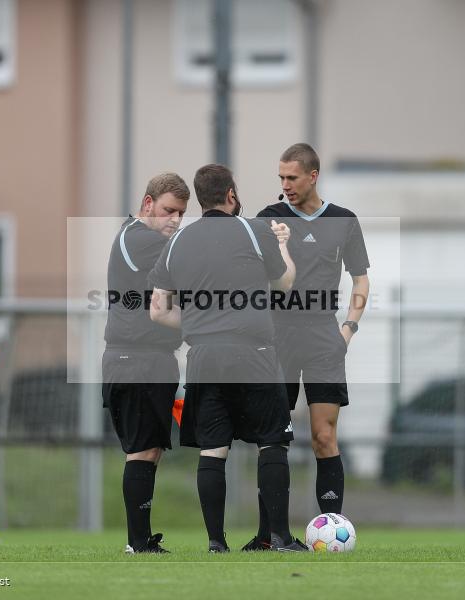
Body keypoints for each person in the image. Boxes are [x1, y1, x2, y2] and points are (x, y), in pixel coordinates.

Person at [149, 163, 308, 552]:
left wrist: (198, 329)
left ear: (200, 199)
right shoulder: (253, 231)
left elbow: (157, 309)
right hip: (253, 352)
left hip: (204, 357)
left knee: (214, 448)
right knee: (272, 441)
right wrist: (284, 245)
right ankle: (280, 537)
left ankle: (216, 542)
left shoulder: (178, 243)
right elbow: (285, 282)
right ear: (231, 195)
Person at [245, 143, 370, 551]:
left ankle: (332, 532)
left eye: (292, 178)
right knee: (274, 437)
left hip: (322, 337)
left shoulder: (344, 221)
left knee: (323, 435)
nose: (285, 186)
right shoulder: (270, 219)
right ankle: (270, 536)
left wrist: (347, 329)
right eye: (280, 178)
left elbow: (361, 279)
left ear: (313, 176)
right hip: (278, 335)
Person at [102, 172, 190, 554]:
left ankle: (141, 539)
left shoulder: (140, 237)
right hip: (134, 359)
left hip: (147, 359)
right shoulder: (141, 239)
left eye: (182, 214)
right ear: (148, 203)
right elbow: (190, 271)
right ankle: (137, 543)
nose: (174, 220)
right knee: (141, 449)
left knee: (150, 448)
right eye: (169, 210)